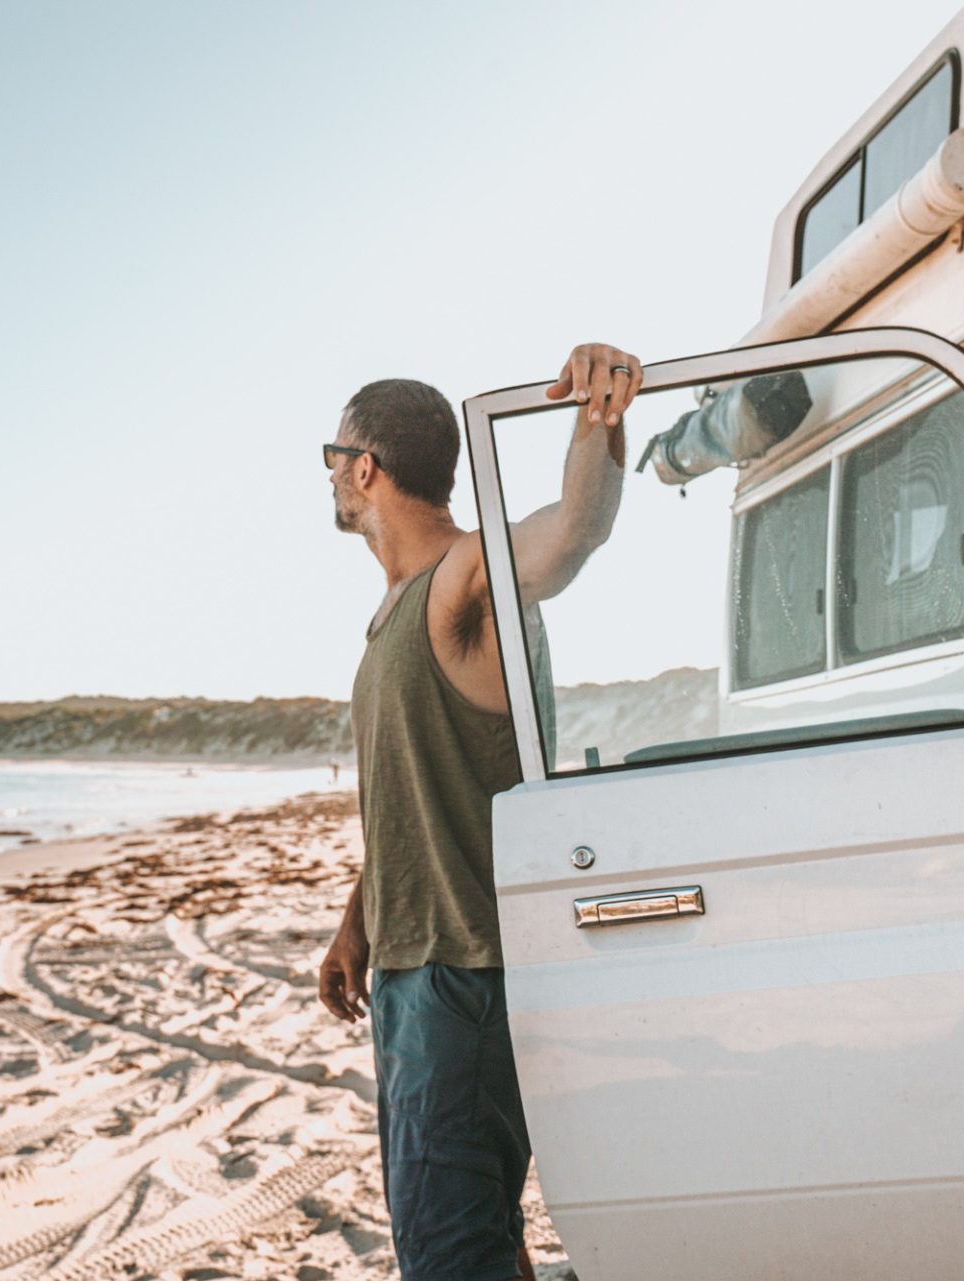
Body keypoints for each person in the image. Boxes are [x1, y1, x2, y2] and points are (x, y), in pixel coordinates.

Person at [317, 342, 639, 1281]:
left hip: (465, 973)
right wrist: (356, 926)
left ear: (363, 466)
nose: (332, 476)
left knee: (451, 1255)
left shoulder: (467, 579)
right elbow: (410, 796)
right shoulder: (394, 611)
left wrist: (599, 415)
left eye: (333, 457)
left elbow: (574, 529)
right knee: (483, 1236)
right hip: (414, 969)